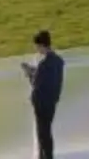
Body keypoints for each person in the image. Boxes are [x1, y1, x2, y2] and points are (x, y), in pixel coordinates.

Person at [21, 29, 63, 159]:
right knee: (46, 133)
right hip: (51, 102)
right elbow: (45, 77)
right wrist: (34, 71)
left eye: (37, 47)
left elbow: (36, 82)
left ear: (41, 45)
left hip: (41, 104)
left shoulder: (44, 64)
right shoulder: (58, 61)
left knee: (43, 135)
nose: (37, 49)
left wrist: (29, 73)